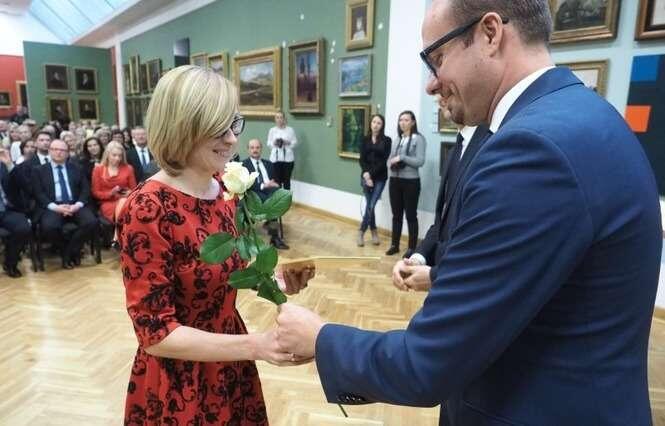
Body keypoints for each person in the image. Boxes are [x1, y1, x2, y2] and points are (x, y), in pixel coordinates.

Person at [274, 1, 662, 425]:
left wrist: (321, 339)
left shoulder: (532, 150)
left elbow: (426, 364)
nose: (431, 84)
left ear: (490, 33)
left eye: (437, 58)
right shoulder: (586, 115)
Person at [116, 65, 314, 425]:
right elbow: (155, 334)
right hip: (181, 379)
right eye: (218, 128)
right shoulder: (147, 207)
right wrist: (257, 345)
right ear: (183, 127)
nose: (232, 139)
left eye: (233, 124)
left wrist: (273, 281)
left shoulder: (223, 187)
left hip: (230, 362)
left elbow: (220, 273)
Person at [395, 105, 489, 291]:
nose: (435, 93)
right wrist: (417, 258)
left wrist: (435, 275)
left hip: (465, 286)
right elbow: (442, 223)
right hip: (445, 276)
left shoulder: (489, 146)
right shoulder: (456, 149)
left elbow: (481, 237)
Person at [32, 139, 98, 269]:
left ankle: (68, 253)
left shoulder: (77, 168)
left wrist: (77, 205)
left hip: (74, 204)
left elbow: (85, 189)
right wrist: (56, 208)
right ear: (49, 151)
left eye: (62, 150)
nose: (58, 152)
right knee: (49, 227)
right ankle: (68, 251)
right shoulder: (39, 170)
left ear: (67, 153)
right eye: (55, 149)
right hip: (53, 206)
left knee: (91, 222)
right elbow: (38, 193)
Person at [385, 111, 426, 258]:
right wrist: (390, 163)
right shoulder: (398, 139)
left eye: (406, 120)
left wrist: (402, 157)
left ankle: (411, 248)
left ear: (413, 122)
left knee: (410, 215)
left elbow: (420, 161)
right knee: (396, 215)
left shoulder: (419, 139)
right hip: (394, 181)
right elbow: (390, 159)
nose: (402, 123)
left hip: (411, 182)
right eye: (400, 120)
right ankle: (394, 245)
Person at [242, 138, 289, 249]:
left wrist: (276, 185)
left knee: (277, 197)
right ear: (248, 149)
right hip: (253, 193)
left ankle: (274, 236)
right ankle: (274, 234)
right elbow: (245, 184)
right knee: (273, 203)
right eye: (252, 148)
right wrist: (264, 185)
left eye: (257, 147)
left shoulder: (269, 164)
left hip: (270, 192)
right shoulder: (243, 165)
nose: (255, 150)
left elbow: (275, 181)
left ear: (261, 149)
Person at [357, 114, 391, 247]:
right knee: (370, 205)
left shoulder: (387, 140)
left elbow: (383, 161)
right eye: (374, 122)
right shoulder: (364, 139)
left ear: (382, 126)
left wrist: (370, 174)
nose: (376, 125)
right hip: (365, 177)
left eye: (379, 123)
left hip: (380, 177)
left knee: (371, 205)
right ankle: (374, 231)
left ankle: (361, 231)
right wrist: (366, 175)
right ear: (370, 124)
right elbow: (362, 159)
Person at [91, 141, 136, 238]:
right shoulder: (98, 169)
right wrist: (111, 193)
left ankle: (120, 237)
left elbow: (134, 190)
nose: (117, 158)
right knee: (122, 211)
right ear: (107, 155)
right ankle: (120, 237)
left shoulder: (128, 168)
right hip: (108, 202)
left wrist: (129, 193)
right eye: (114, 155)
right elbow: (95, 193)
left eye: (120, 155)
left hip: (126, 200)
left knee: (126, 206)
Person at [0, 148, 31, 278]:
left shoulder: (4, 165)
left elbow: (25, 186)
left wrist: (9, 164)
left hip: (7, 210)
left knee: (23, 228)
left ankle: (10, 262)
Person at [266, 112, 297, 190]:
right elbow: (268, 143)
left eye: (281, 117)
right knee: (277, 181)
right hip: (275, 159)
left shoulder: (290, 130)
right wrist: (274, 143)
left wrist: (287, 142)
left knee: (287, 181)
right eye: (277, 117)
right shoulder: (272, 130)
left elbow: (294, 142)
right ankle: (278, 197)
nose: (279, 119)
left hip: (288, 159)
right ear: (275, 119)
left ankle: (287, 196)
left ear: (284, 119)